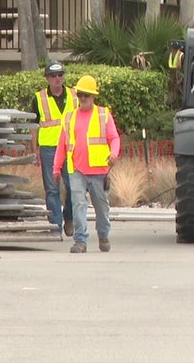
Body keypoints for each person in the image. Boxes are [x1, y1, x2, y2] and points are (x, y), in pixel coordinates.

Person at [53, 75, 121, 254]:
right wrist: (56, 168)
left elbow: (114, 138)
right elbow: (62, 145)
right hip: (76, 170)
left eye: (87, 95)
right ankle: (80, 241)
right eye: (81, 94)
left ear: (93, 97)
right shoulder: (69, 118)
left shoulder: (103, 114)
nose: (83, 98)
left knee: (101, 206)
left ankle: (103, 235)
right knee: (78, 205)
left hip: (99, 170)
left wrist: (113, 154)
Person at [30, 61, 77, 236]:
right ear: (47, 78)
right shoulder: (39, 98)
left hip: (70, 148)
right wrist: (34, 150)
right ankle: (55, 226)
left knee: (73, 186)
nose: (57, 79)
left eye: (60, 75)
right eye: (53, 76)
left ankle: (69, 218)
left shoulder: (74, 96)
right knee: (52, 188)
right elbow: (33, 126)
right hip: (49, 148)